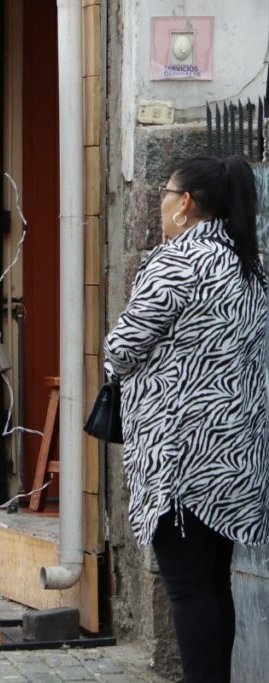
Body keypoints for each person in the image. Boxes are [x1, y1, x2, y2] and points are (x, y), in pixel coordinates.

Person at [104, 154, 269, 682]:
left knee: (188, 588)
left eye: (166, 193)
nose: (162, 203)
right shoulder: (249, 266)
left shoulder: (178, 261)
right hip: (234, 455)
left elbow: (123, 347)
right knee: (214, 586)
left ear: (187, 202)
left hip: (180, 459)